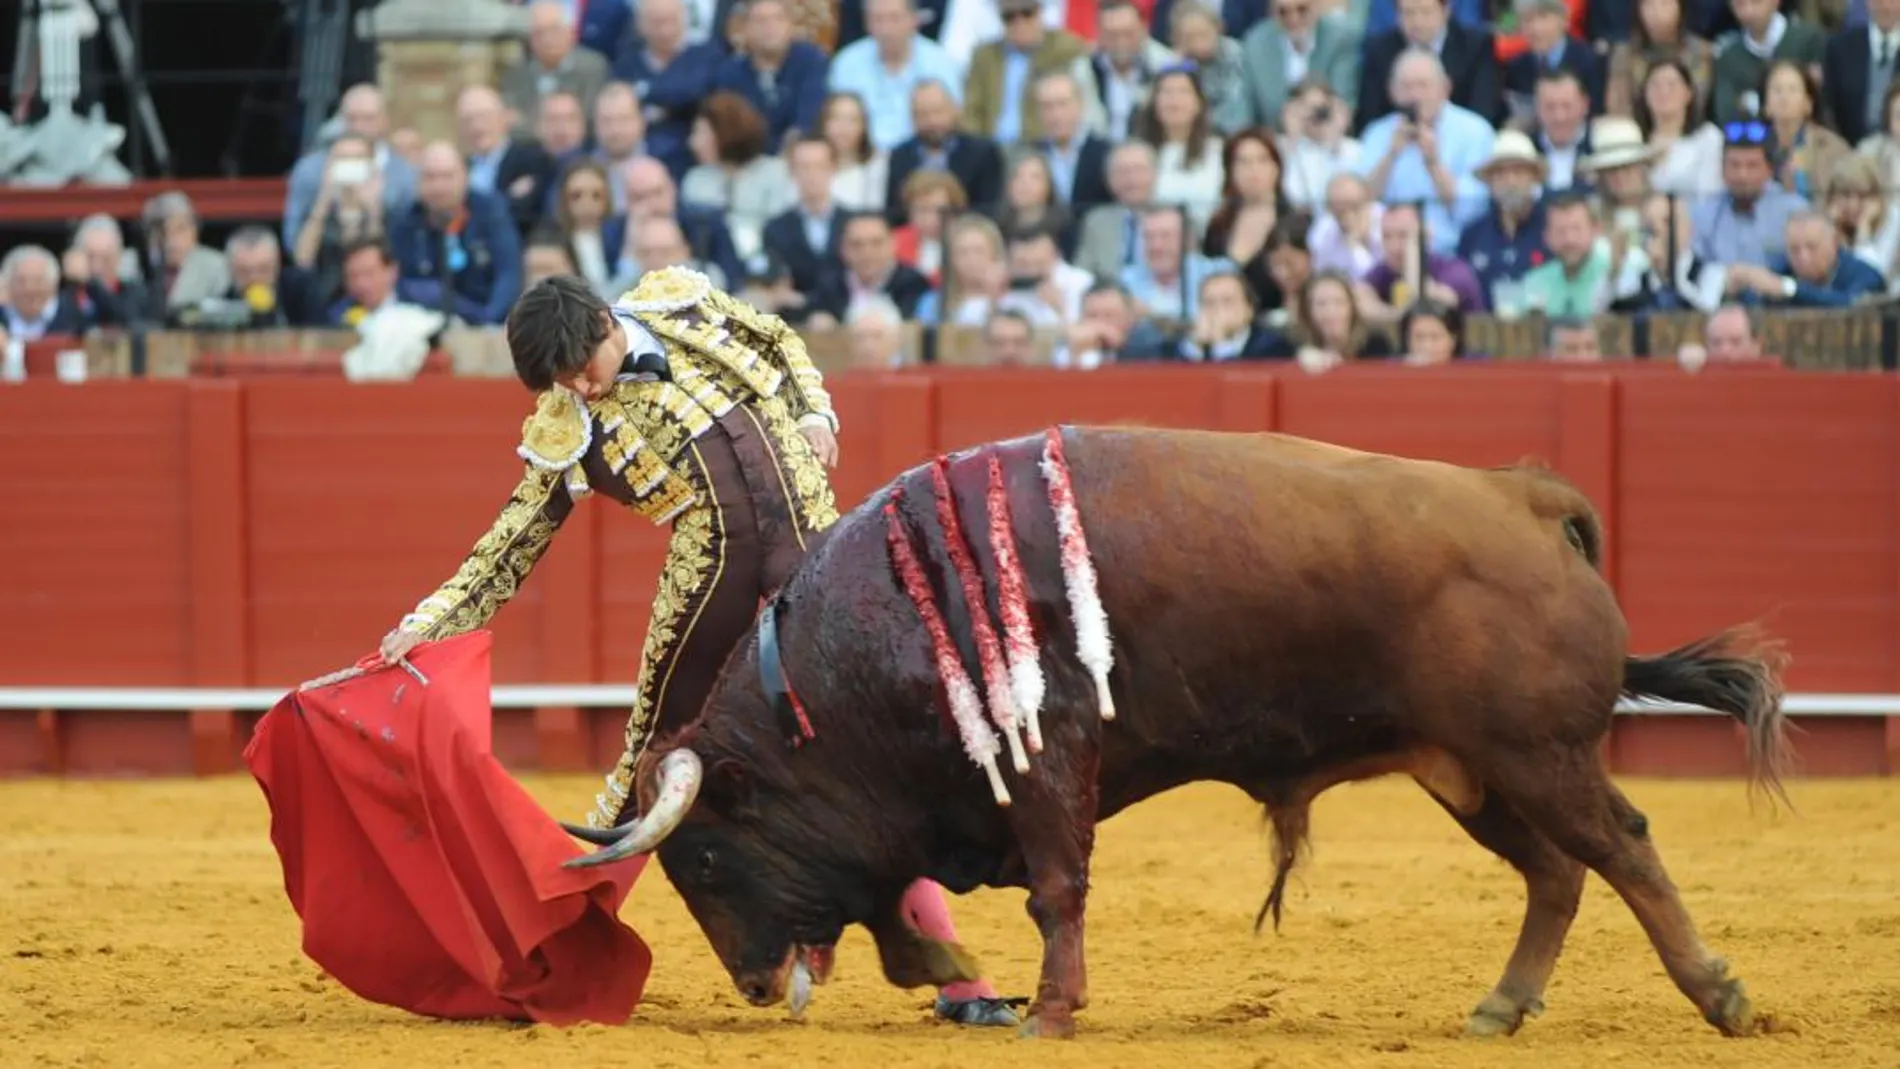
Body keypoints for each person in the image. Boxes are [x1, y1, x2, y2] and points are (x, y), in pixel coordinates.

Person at [374, 267, 1020, 1027]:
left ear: (605, 323)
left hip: (822, 569)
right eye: (560, 381)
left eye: (583, 369)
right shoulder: (567, 424)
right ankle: (549, 955)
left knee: (869, 764)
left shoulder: (678, 298)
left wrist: (816, 410)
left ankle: (954, 979)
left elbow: (777, 339)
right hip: (708, 595)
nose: (579, 389)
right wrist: (433, 619)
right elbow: (512, 539)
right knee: (644, 772)